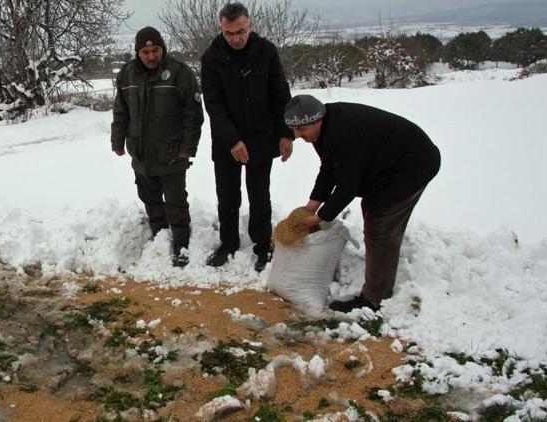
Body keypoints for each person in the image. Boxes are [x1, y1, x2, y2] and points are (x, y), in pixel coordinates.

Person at [285, 94, 441, 312]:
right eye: (294, 130)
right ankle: (382, 268)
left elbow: (347, 187)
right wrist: (312, 205)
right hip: (386, 163)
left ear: (317, 120)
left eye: (301, 130)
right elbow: (329, 168)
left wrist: (321, 217)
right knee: (374, 213)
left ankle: (374, 299)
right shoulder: (323, 130)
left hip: (412, 165)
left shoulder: (343, 134)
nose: (297, 135)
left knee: (380, 224)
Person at [201, 2, 293, 272]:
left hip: (262, 136)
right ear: (221, 29)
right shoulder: (211, 57)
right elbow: (213, 105)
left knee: (259, 194)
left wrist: (286, 133)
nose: (236, 38)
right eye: (229, 33)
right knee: (227, 196)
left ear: (250, 25)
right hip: (226, 140)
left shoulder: (266, 51)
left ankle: (263, 245)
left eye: (241, 31)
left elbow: (280, 93)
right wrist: (232, 140)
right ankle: (228, 243)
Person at [111, 26, 204, 267]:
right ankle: (159, 236)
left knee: (175, 200)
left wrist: (188, 147)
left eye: (156, 50)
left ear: (162, 48)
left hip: (172, 151)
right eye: (146, 51)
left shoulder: (179, 73)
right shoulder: (127, 75)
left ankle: (181, 243)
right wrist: (117, 138)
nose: (151, 56)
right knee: (149, 197)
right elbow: (120, 110)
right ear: (137, 52)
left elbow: (193, 114)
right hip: (140, 151)